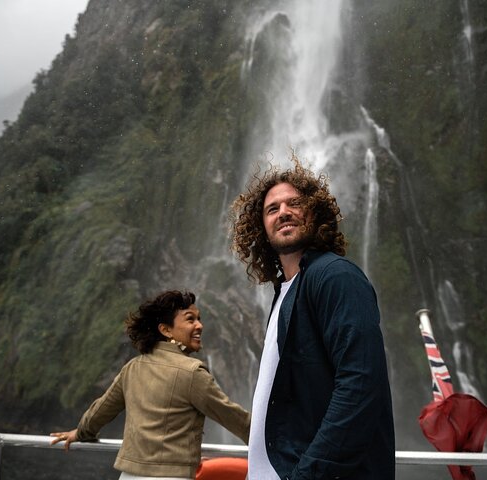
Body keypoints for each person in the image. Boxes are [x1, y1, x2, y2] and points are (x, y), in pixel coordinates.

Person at [230, 155, 396, 479]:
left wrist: (307, 474)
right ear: (261, 228)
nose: (284, 213)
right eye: (272, 209)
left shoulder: (334, 276)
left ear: (314, 212)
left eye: (294, 203)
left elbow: (360, 384)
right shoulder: (285, 292)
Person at [50, 290, 250, 480]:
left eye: (199, 319)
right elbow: (234, 418)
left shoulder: (133, 367)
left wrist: (81, 432)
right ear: (165, 329)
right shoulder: (191, 373)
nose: (199, 325)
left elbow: (102, 410)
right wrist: (275, 441)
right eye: (190, 319)